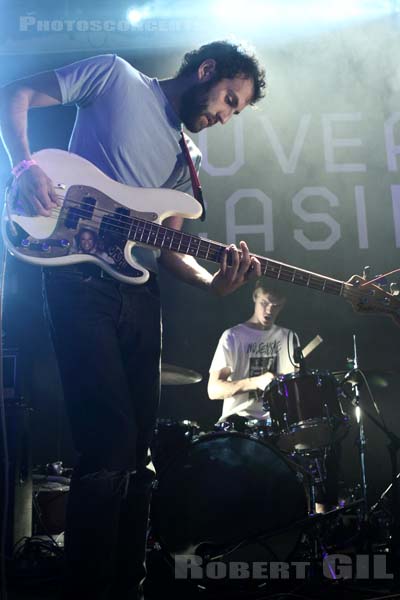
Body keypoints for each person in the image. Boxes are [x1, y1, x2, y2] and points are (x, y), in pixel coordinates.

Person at [0, 41, 266, 599]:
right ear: (207, 70)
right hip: (76, 277)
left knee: (139, 448)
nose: (223, 114)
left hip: (138, 292)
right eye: (228, 99)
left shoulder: (184, 157)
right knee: (109, 441)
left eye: (233, 111)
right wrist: (23, 164)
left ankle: (129, 587)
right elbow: (14, 92)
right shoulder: (115, 77)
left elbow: (171, 249)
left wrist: (214, 282)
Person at [208, 279, 298, 427]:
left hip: (279, 426)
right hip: (239, 424)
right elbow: (213, 390)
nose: (269, 310)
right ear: (255, 296)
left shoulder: (289, 337)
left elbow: (296, 390)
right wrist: (256, 382)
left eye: (276, 306)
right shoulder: (232, 336)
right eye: (264, 303)